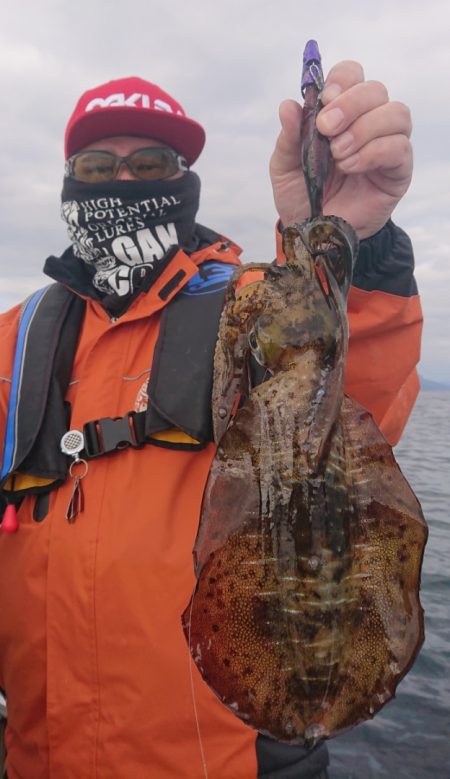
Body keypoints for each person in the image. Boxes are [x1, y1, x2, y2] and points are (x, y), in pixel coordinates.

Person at [0, 59, 422, 779]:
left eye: (152, 162)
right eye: (100, 164)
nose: (126, 182)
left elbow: (357, 380)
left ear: (185, 174)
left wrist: (350, 240)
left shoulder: (252, 306)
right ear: (70, 178)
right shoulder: (17, 339)